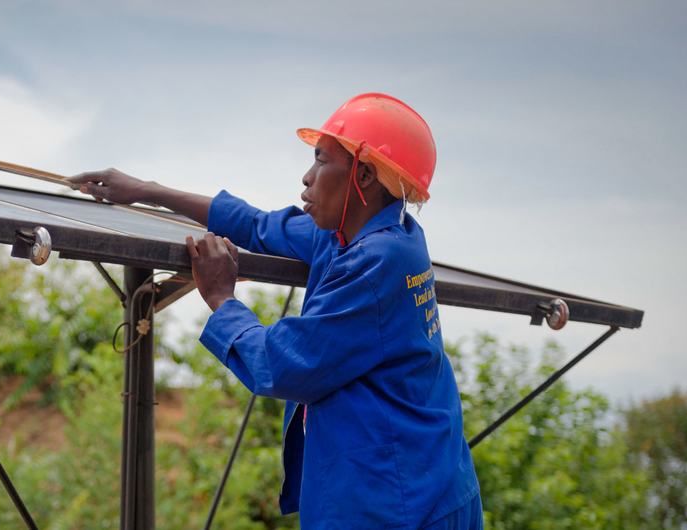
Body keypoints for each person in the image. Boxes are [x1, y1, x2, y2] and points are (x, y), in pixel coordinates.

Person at [69, 93, 482, 529]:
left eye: (322, 161)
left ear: (362, 174)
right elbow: (258, 225)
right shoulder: (368, 233)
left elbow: (283, 366)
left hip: (395, 504)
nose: (306, 177)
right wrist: (147, 191)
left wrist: (220, 298)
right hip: (427, 479)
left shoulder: (375, 263)